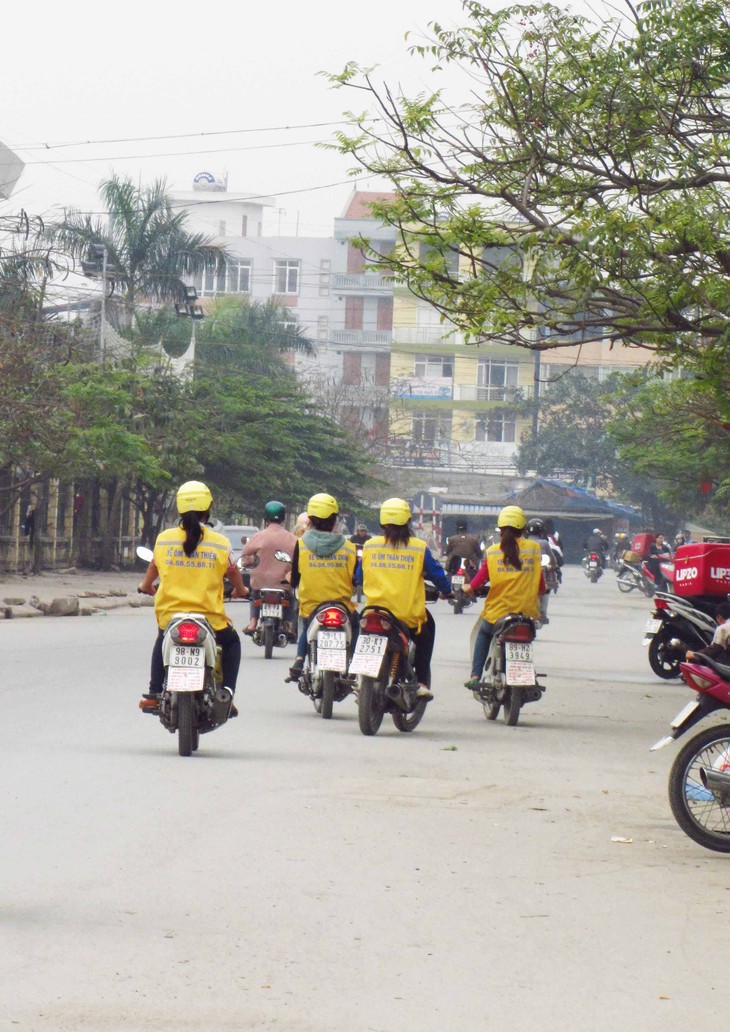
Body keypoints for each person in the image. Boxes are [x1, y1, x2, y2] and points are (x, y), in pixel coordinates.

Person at [137, 481, 248, 713]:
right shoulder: (220, 543)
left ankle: (154, 693)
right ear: (208, 509)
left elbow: (153, 570)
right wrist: (241, 590)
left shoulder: (164, 539)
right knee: (232, 643)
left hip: (171, 615)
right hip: (210, 619)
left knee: (162, 640)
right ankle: (227, 692)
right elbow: (233, 572)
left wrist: (146, 586)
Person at [361, 497, 451, 700]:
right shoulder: (418, 547)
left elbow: (359, 576)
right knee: (427, 634)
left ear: (382, 521)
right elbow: (437, 575)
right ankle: (421, 681)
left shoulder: (370, 546)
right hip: (407, 617)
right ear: (408, 521)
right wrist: (447, 590)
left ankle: (358, 677)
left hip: (374, 612)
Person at [462, 505, 545, 689]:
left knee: (483, 634)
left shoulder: (492, 552)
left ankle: (476, 675)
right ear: (523, 528)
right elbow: (541, 585)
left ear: (500, 529)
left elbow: (480, 580)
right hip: (526, 614)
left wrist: (468, 588)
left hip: (497, 613)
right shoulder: (533, 549)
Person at [287, 493, 359, 681]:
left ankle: (300, 659)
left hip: (312, 605)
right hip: (341, 606)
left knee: (306, 625)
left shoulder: (301, 544)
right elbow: (354, 578)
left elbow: (295, 578)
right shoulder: (349, 547)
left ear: (310, 519)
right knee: (357, 624)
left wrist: (293, 582)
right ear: (335, 519)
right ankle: (355, 662)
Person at [241, 500, 298, 637]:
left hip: (261, 583)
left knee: (255, 596)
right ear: (283, 518)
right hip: (283, 584)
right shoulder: (293, 539)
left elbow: (245, 558)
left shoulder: (257, 537)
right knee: (291, 599)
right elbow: (298, 561)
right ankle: (288, 624)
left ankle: (253, 622)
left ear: (265, 517)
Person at [525, 518, 556, 625]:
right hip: (538, 577)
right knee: (546, 590)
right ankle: (542, 613)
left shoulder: (521, 543)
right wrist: (553, 566)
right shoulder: (544, 543)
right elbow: (553, 561)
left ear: (527, 531)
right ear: (542, 532)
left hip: (521, 577)